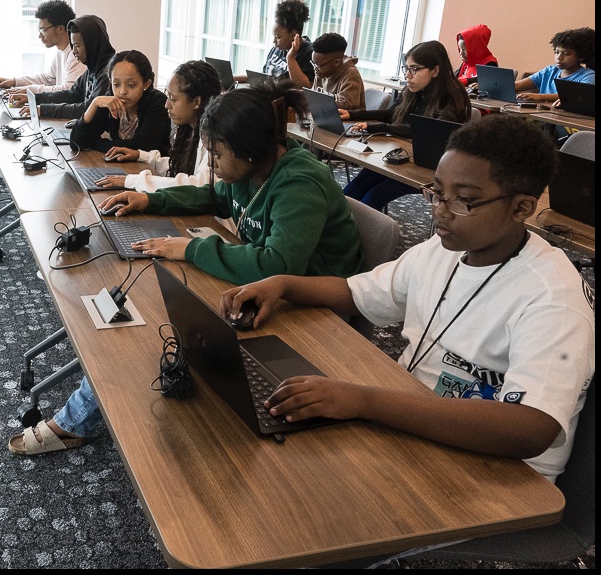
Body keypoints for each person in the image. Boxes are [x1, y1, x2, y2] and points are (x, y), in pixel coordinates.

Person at [221, 114, 594, 484]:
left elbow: (530, 429)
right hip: (415, 423)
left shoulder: (552, 299)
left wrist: (366, 401)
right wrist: (283, 284)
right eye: (436, 193)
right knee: (271, 454)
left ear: (521, 209)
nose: (439, 211)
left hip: (501, 476)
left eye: (463, 201)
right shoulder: (443, 248)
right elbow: (356, 293)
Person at [8, 80, 365, 456]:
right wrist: (150, 199)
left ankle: (74, 423)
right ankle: (84, 418)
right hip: (267, 289)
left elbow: (278, 263)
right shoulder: (252, 169)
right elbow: (213, 197)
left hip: (316, 307)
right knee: (164, 313)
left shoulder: (299, 182)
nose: (211, 163)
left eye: (217, 154)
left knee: (161, 328)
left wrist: (193, 248)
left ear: (248, 149)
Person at [340, 40, 471, 211]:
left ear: (435, 71)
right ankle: (336, 229)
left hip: (432, 169)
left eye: (414, 69)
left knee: (373, 197)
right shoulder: (414, 90)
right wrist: (353, 115)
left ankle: (353, 235)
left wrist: (378, 127)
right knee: (353, 189)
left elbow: (427, 131)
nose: (408, 75)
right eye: (406, 68)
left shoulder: (453, 98)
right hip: (405, 157)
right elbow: (390, 114)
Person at [95, 59, 223, 192]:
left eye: (173, 98)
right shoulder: (190, 130)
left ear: (196, 102)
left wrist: (132, 180)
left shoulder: (213, 137)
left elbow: (200, 184)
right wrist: (141, 156)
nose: (167, 104)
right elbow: (181, 167)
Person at [68, 50, 170, 156]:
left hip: (151, 170)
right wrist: (94, 103)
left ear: (146, 84)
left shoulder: (158, 102)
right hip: (122, 167)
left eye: (131, 85)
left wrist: (93, 142)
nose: (122, 92)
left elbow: (141, 147)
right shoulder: (111, 100)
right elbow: (76, 143)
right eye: (116, 84)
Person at [18, 14, 115, 119]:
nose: (74, 51)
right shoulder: (93, 68)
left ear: (92, 44)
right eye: (72, 46)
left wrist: (42, 109)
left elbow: (87, 109)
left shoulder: (110, 72)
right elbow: (71, 94)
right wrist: (34, 99)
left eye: (77, 46)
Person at [0, 0, 86, 95]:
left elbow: (69, 90)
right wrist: (15, 81)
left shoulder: (76, 55)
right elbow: (47, 79)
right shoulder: (61, 52)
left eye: (43, 30)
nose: (40, 36)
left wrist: (29, 90)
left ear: (60, 29)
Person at [514, 27, 596, 104]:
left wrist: (540, 97)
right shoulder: (549, 71)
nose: (559, 57)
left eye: (566, 54)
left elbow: (579, 97)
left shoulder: (588, 76)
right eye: (556, 52)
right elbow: (518, 86)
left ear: (581, 56)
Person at [259, 0, 315, 88]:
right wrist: (235, 78)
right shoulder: (277, 49)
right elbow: (263, 78)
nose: (274, 42)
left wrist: (290, 58)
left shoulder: (310, 53)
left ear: (293, 35)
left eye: (278, 37)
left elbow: (304, 88)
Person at [310, 32, 366, 111]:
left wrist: (315, 100)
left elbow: (346, 104)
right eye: (313, 63)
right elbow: (313, 96)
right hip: (326, 117)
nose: (315, 68)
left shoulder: (351, 73)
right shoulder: (321, 72)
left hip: (348, 121)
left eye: (319, 65)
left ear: (337, 62)